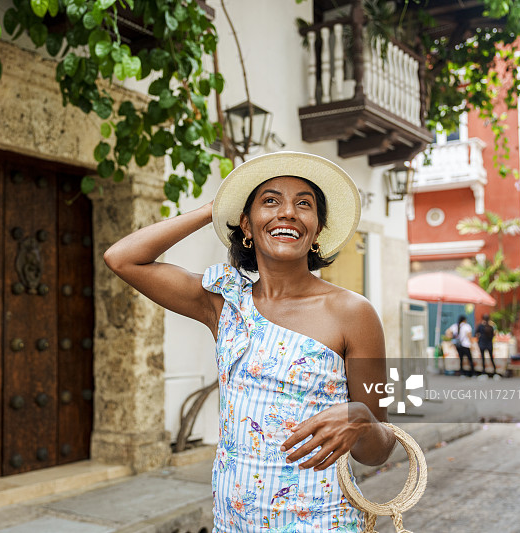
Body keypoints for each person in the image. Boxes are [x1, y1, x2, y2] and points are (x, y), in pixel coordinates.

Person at [104, 152, 395, 532]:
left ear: (318, 229)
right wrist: (214, 208)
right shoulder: (223, 303)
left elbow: (381, 448)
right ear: (246, 223)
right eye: (270, 201)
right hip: (234, 521)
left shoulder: (354, 313)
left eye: (303, 204)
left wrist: (362, 420)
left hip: (322, 522)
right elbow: (122, 259)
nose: (288, 212)